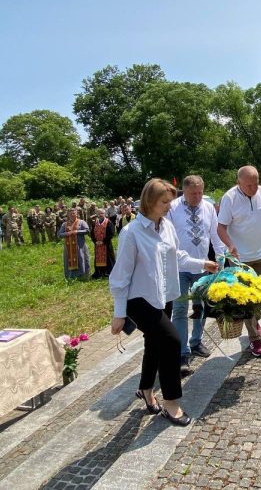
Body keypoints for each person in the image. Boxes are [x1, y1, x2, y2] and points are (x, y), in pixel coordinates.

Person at [109, 178, 218, 427]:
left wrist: (202, 263)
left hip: (163, 295)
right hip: (139, 299)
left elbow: (176, 255)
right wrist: (119, 313)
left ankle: (146, 389)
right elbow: (120, 277)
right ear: (149, 202)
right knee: (171, 341)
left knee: (155, 344)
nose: (170, 206)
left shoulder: (166, 225)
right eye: (164, 202)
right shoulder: (131, 233)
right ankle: (171, 403)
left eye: (170, 201)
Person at [216, 166, 261, 358]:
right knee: (246, 299)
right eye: (249, 185)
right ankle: (255, 338)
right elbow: (221, 227)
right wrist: (230, 245)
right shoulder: (230, 198)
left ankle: (254, 319)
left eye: (256, 183)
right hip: (240, 260)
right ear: (239, 182)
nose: (254, 188)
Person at [167, 175, 226, 376]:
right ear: (184, 191)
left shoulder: (208, 207)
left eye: (200, 192)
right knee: (180, 309)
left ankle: (196, 341)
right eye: (193, 193)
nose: (197, 196)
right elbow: (168, 240)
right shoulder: (172, 208)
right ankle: (182, 352)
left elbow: (215, 234)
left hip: (203, 266)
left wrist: (221, 256)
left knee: (201, 307)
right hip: (179, 267)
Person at [58, 208, 91, 280]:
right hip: (68, 247)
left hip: (80, 245)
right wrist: (67, 233)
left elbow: (87, 230)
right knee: (68, 260)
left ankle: (83, 275)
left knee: (81, 258)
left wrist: (77, 232)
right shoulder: (64, 224)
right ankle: (70, 276)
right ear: (68, 215)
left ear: (76, 214)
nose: (72, 215)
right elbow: (59, 234)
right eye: (70, 214)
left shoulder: (81, 222)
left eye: (73, 213)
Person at [90, 208, 116, 279]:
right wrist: (95, 241)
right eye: (98, 213)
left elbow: (111, 233)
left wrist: (103, 241)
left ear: (105, 214)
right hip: (98, 245)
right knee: (98, 258)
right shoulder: (95, 223)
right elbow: (92, 233)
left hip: (106, 244)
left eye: (101, 213)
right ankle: (99, 272)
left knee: (108, 258)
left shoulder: (108, 222)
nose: (100, 215)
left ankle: (109, 272)